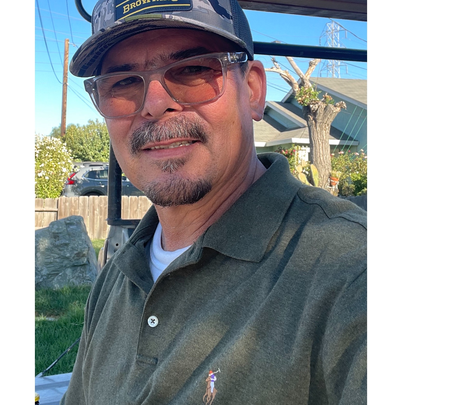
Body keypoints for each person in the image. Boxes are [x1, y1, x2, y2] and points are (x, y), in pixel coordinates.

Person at [59, 0, 367, 403]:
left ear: (253, 90)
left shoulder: (351, 272)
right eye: (123, 83)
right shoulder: (117, 278)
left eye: (192, 70)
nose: (154, 103)